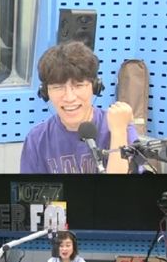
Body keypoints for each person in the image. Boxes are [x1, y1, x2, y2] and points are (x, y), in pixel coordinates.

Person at [20, 42, 138, 174]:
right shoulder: (37, 139)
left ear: (95, 87)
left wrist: (119, 132)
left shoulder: (119, 127)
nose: (69, 98)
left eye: (78, 86)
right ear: (46, 93)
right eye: (58, 87)